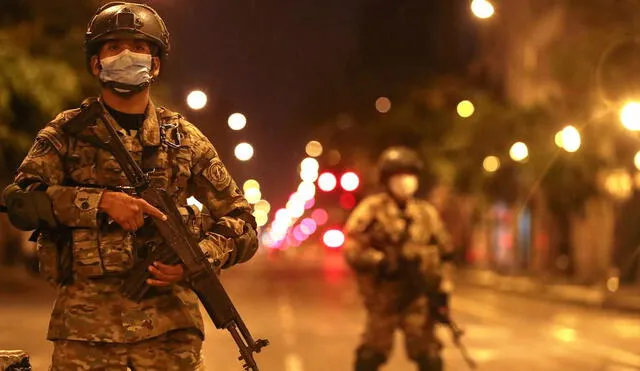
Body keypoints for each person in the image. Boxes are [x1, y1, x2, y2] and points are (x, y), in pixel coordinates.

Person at [2, 2, 259, 370]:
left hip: (170, 334)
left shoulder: (184, 139)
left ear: (155, 64)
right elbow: (21, 202)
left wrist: (198, 258)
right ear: (96, 63)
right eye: (114, 47)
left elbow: (243, 222)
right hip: (85, 335)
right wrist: (100, 202)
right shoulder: (67, 133)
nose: (127, 55)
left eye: (139, 47)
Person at [343, 146, 455, 371]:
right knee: (370, 356)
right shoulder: (372, 210)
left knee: (430, 357)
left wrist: (442, 292)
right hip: (384, 297)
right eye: (398, 176)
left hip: (418, 297)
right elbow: (351, 248)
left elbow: (445, 253)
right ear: (387, 180)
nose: (405, 181)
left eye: (409, 175)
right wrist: (381, 261)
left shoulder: (425, 213)